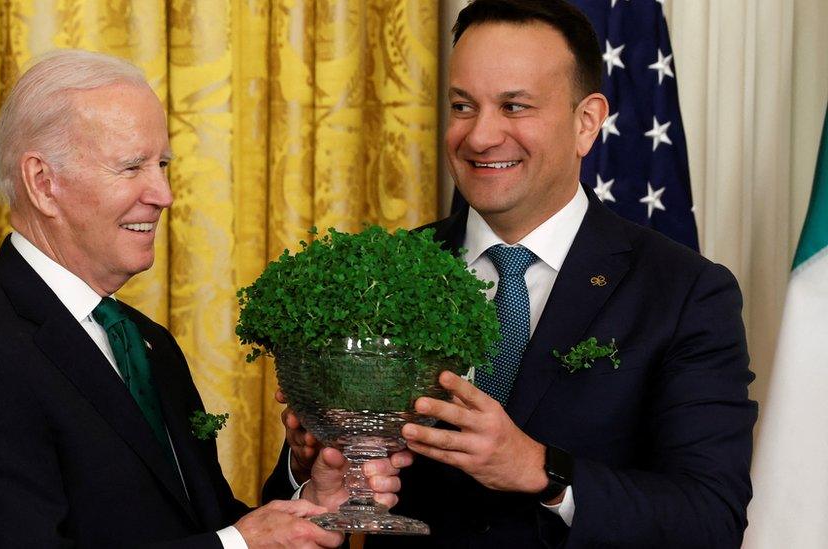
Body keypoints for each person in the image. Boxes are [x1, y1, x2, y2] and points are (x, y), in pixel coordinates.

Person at [263, 1, 757, 547]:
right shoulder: (380, 277)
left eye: (515, 106)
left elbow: (710, 519)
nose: (479, 137)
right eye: (462, 106)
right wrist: (309, 466)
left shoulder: (686, 292)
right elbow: (293, 514)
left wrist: (544, 472)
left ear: (586, 122)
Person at [0, 49, 406, 548]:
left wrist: (311, 497)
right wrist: (239, 545)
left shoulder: (146, 342)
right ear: (43, 183)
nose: (163, 194)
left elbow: (202, 524)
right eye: (131, 167)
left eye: (162, 164)